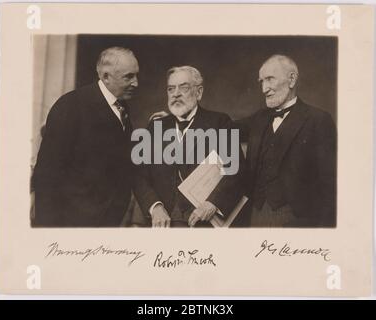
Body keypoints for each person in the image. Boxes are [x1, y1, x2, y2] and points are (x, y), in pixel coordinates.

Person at [32, 47, 139, 227]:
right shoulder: (70, 106)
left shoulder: (122, 108)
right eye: (129, 77)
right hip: (70, 224)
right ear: (106, 76)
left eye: (136, 75)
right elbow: (47, 175)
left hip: (107, 223)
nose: (136, 83)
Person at [133, 66, 243, 228]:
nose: (176, 93)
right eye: (171, 89)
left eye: (183, 87)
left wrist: (212, 203)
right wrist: (155, 206)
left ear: (198, 92)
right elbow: (139, 174)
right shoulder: (156, 126)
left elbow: (236, 170)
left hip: (203, 223)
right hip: (162, 224)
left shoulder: (219, 122)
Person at [240, 54, 336, 227]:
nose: (264, 88)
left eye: (269, 79)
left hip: (298, 220)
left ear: (291, 79)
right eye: (261, 81)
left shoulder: (318, 120)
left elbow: (329, 184)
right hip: (255, 215)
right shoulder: (259, 119)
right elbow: (222, 128)